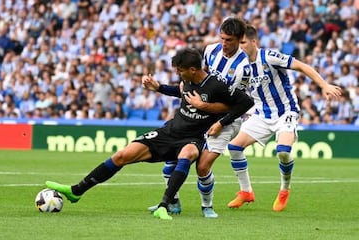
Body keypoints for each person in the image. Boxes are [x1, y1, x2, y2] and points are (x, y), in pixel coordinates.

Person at [45, 48, 254, 220]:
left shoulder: (216, 85)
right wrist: (158, 88)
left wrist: (220, 122)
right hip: (168, 132)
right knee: (122, 156)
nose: (178, 74)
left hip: (192, 138)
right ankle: (76, 191)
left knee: (188, 154)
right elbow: (179, 91)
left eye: (181, 71)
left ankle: (165, 204)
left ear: (193, 69)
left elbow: (246, 102)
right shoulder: (187, 81)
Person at [225, 25, 342, 211]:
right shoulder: (240, 66)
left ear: (254, 42)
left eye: (243, 42)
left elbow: (302, 66)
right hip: (261, 114)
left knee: (283, 151)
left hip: (285, 112)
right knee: (234, 147)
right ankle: (246, 192)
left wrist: (324, 85)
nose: (240, 47)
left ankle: (284, 190)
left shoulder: (270, 56)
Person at [148, 17, 253, 218]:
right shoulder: (211, 51)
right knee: (170, 163)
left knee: (202, 166)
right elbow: (195, 85)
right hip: (200, 118)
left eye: (229, 40)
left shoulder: (243, 68)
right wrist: (161, 88)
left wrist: (219, 122)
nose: (224, 43)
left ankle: (207, 207)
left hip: (227, 120)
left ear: (240, 39)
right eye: (222, 38)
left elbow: (238, 104)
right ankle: (172, 202)